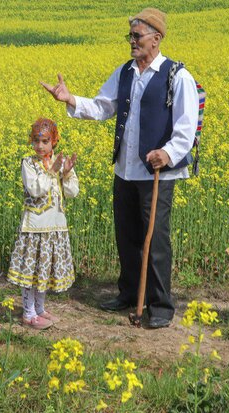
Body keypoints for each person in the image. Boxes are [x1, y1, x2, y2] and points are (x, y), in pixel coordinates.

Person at [41, 8, 198, 328]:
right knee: (126, 235)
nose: (132, 42)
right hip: (125, 170)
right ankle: (128, 293)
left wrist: (167, 154)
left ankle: (161, 305)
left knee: (155, 240)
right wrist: (70, 100)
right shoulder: (126, 71)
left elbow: (186, 127)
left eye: (137, 36)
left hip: (156, 174)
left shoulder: (177, 75)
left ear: (157, 38)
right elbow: (103, 107)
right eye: (131, 36)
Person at [7, 118, 78, 330]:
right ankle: (28, 313)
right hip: (34, 227)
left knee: (43, 270)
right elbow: (35, 190)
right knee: (32, 271)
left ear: (54, 141)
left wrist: (65, 173)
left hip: (55, 226)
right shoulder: (28, 163)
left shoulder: (59, 162)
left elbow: (72, 192)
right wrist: (52, 171)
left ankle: (39, 308)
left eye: (45, 141)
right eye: (36, 141)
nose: (40, 146)